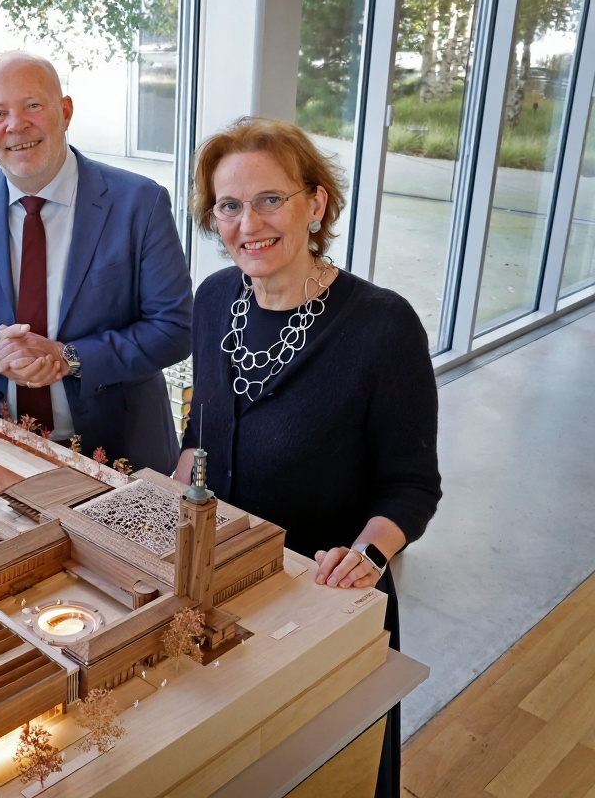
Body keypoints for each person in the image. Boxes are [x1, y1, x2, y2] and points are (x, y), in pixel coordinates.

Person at [175, 116, 442, 798]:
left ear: (315, 203)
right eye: (229, 206)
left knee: (328, 776)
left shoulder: (382, 326)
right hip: (229, 588)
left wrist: (367, 556)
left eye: (271, 199)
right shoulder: (212, 301)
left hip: (326, 598)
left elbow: (411, 485)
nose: (248, 223)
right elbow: (201, 432)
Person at [0, 51, 194, 474]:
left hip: (119, 454)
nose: (16, 125)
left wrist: (69, 357)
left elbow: (175, 328)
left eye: (32, 105)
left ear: (64, 111)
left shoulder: (140, 202)